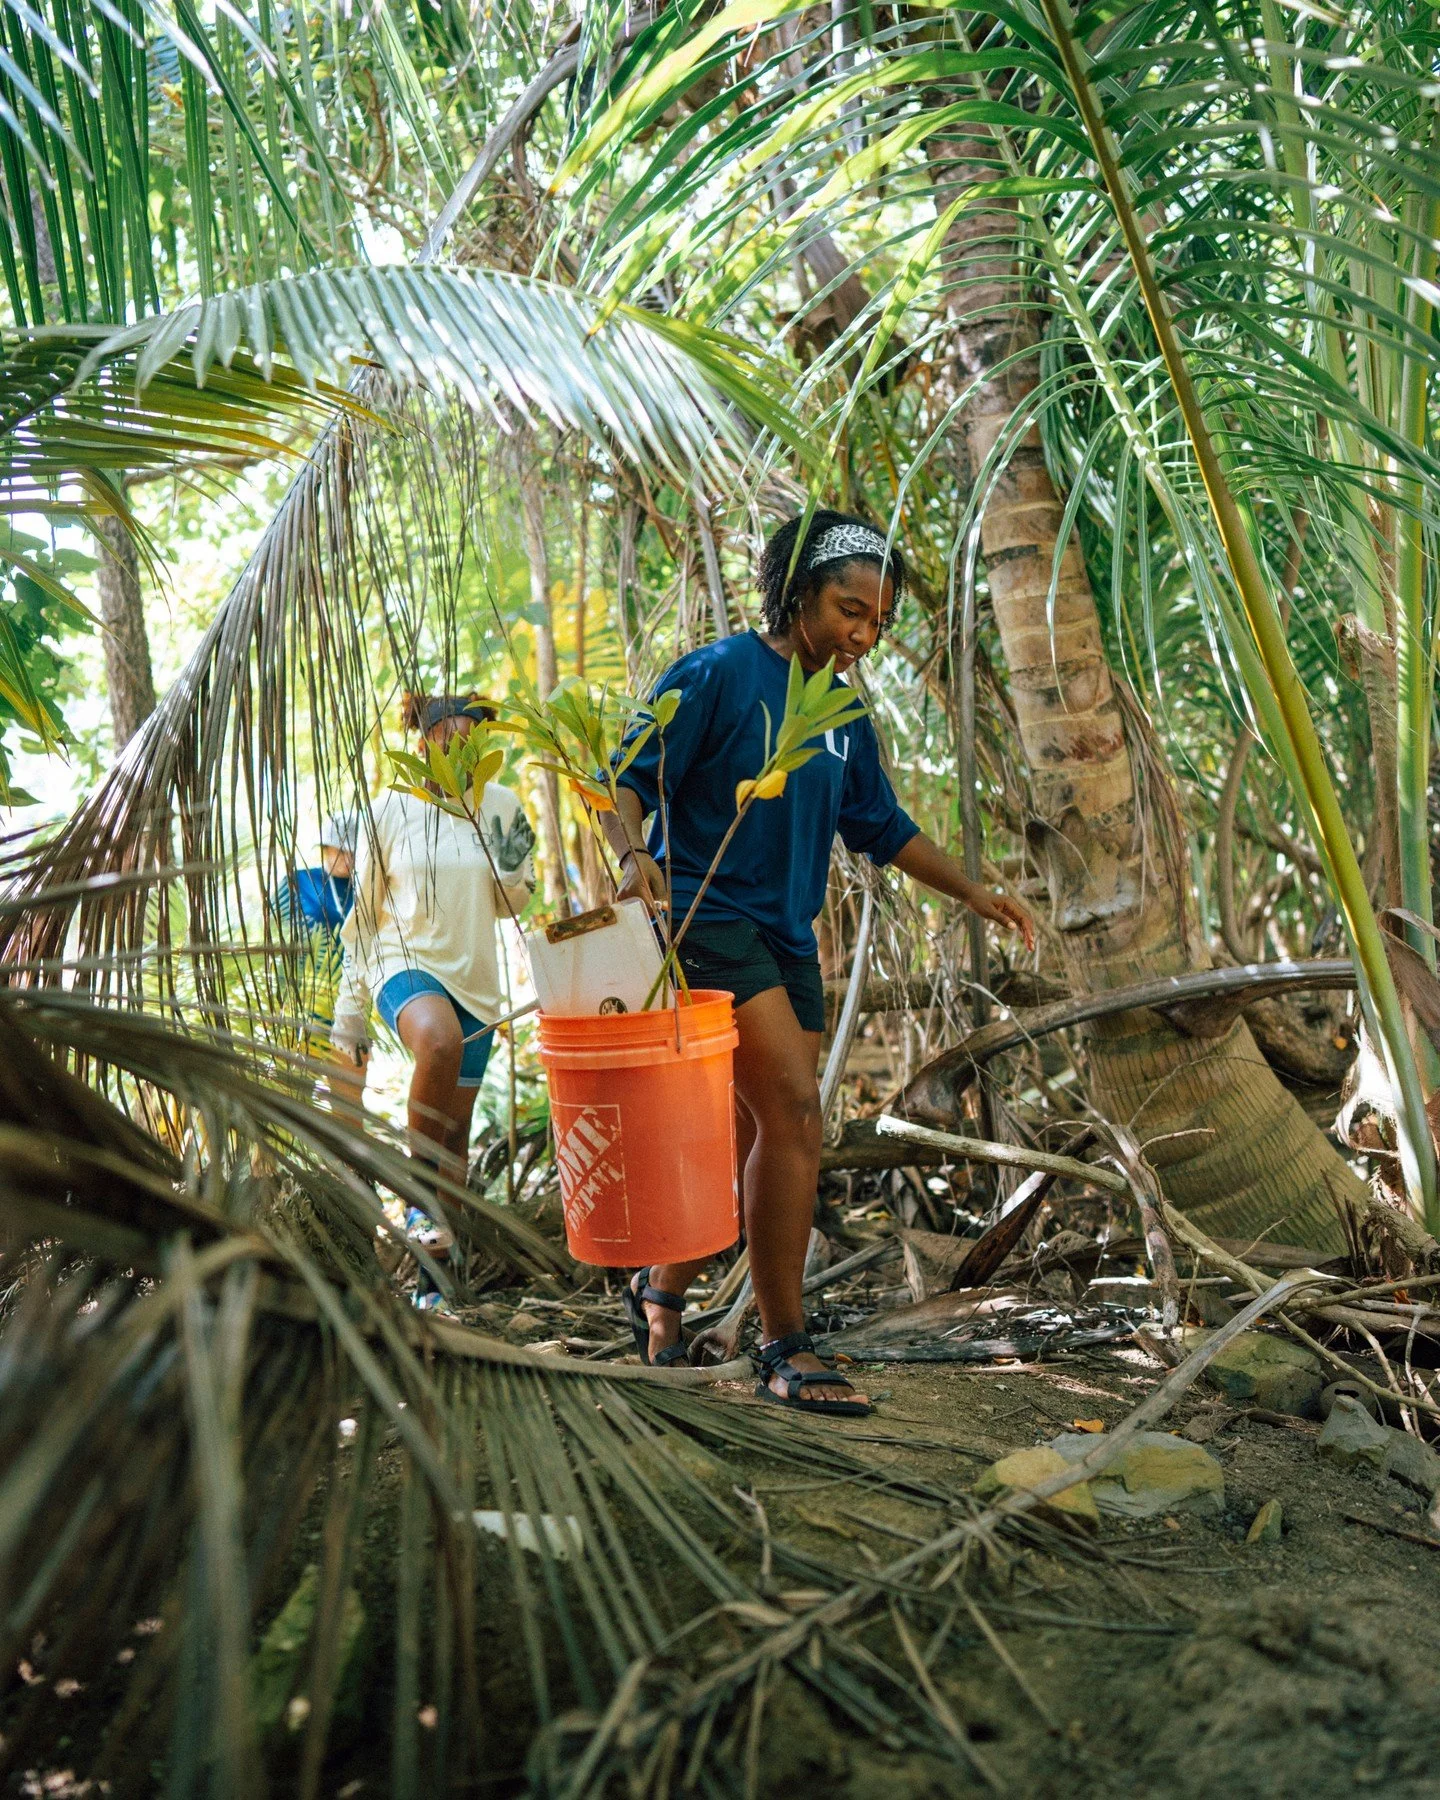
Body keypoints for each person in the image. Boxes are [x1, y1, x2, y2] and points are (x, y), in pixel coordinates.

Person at [603, 511, 1034, 1411]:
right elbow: (628, 774)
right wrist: (632, 853)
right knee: (796, 1114)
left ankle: (662, 1290)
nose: (862, 636)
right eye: (848, 610)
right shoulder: (720, 673)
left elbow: (881, 826)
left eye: (876, 622)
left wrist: (974, 891)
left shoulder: (840, 711)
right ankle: (783, 1343)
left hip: (787, 937)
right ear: (797, 592)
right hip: (707, 915)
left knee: (754, 1133)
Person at [332, 693, 536, 1311]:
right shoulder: (389, 810)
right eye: (447, 736)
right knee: (439, 1043)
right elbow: (363, 913)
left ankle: (436, 1281)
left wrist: (506, 864)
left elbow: (514, 903)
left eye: (470, 737)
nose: (460, 747)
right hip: (404, 962)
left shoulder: (501, 806)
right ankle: (414, 1201)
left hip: (475, 977)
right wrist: (350, 1010)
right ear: (423, 744)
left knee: (455, 1142)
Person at [275, 813, 366, 1114]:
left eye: (354, 850)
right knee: (292, 1098)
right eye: (341, 849)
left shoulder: (365, 890)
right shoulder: (297, 882)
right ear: (325, 847)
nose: (348, 858)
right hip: (299, 1005)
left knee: (347, 1102)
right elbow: (276, 937)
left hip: (349, 1007)